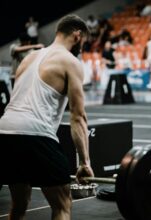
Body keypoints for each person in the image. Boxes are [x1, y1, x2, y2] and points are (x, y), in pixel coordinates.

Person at [0, 14, 94, 220]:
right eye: (84, 42)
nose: (82, 47)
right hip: (36, 134)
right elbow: (78, 118)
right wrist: (85, 163)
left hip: (4, 132)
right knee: (62, 205)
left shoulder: (30, 57)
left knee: (19, 204)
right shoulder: (70, 61)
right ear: (77, 35)